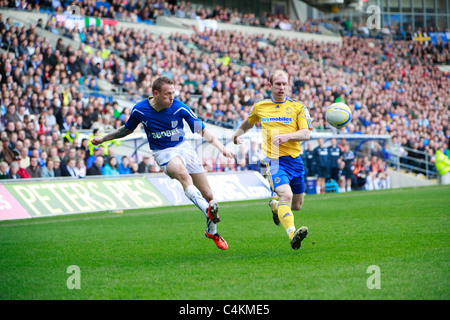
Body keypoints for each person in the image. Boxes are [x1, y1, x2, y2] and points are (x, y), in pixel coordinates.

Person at [91, 76, 235, 250]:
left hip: (183, 147)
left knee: (208, 194)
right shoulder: (140, 110)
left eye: (173, 93)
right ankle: (206, 210)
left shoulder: (179, 108)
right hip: (163, 152)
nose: (172, 97)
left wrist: (222, 148)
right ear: (156, 94)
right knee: (183, 175)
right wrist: (103, 139)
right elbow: (126, 130)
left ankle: (212, 231)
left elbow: (202, 130)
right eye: (168, 94)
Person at [231, 69, 312, 250]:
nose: (281, 88)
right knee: (286, 195)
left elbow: (306, 133)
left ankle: (276, 207)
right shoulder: (260, 107)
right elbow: (249, 121)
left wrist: (288, 136)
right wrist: (237, 134)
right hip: (273, 160)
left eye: (284, 84)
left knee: (296, 205)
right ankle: (293, 234)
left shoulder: (299, 107)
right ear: (270, 86)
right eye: (278, 84)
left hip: (295, 160)